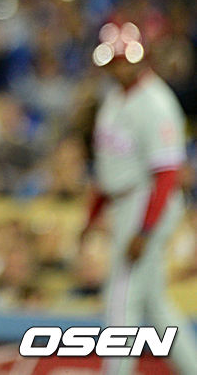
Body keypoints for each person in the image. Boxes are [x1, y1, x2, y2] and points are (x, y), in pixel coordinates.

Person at [80, 21, 197, 375]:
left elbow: (167, 173)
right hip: (124, 201)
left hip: (147, 201)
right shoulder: (114, 98)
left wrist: (145, 230)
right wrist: (92, 217)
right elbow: (108, 169)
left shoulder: (156, 102)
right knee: (154, 305)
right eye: (114, 61)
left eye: (126, 60)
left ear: (142, 58)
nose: (120, 68)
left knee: (123, 298)